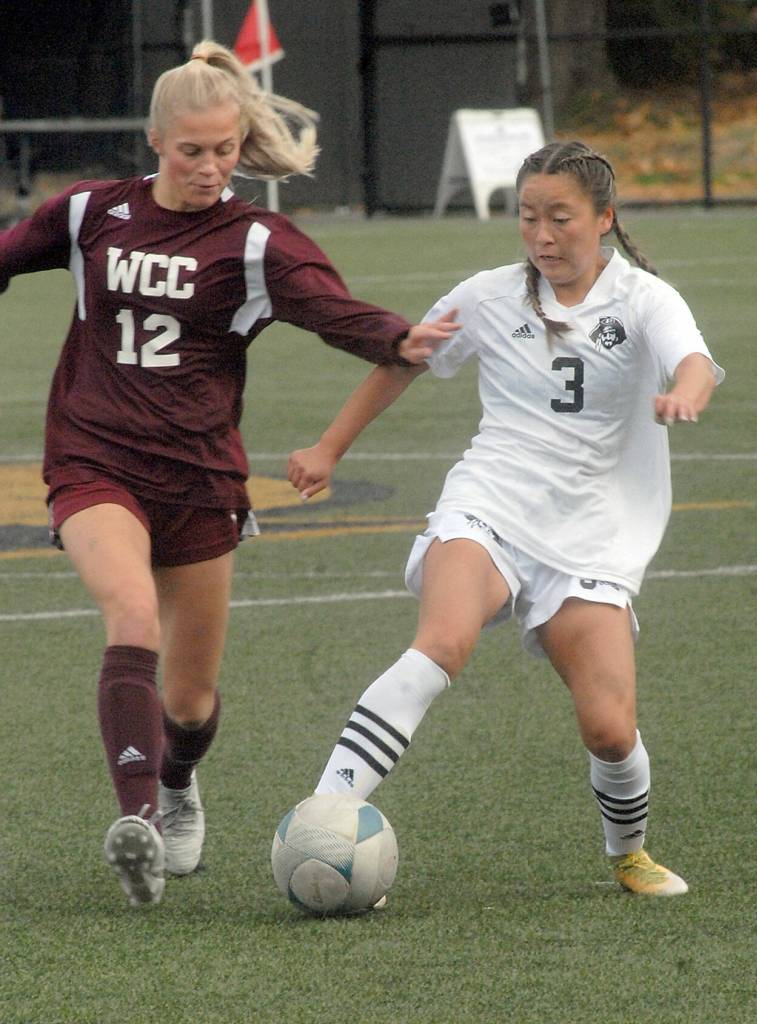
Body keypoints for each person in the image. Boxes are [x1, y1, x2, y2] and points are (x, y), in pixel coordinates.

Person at [0, 40, 459, 909]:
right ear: (154, 142)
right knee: (129, 612)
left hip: (200, 480)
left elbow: (335, 310)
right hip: (93, 457)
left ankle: (175, 784)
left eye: (226, 150)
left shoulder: (255, 241)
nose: (212, 167)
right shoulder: (90, 213)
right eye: (193, 151)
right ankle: (136, 822)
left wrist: (395, 339)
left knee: (192, 699)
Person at [287, 140, 724, 898]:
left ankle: (628, 852)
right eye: (528, 218)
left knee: (610, 729)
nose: (543, 236)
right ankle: (327, 812)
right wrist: (328, 447)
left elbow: (690, 358)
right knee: (443, 640)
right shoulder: (489, 295)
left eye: (561, 219)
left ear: (605, 219)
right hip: (490, 502)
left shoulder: (644, 300)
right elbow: (403, 361)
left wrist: (687, 392)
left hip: (596, 532)